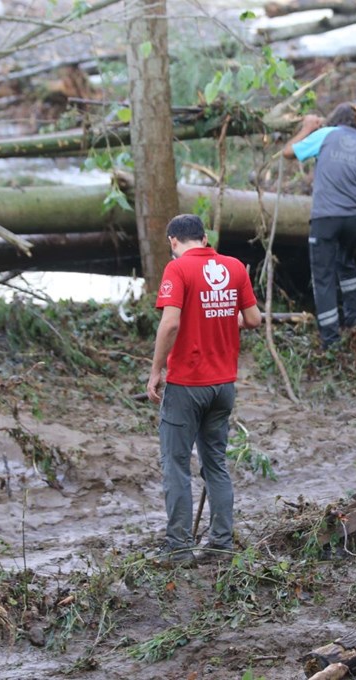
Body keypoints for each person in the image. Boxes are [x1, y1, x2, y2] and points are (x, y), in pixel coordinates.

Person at [147, 214, 261, 566]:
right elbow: (254, 319)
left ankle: (179, 549)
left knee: (176, 465)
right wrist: (225, 318)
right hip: (223, 386)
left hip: (187, 387)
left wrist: (155, 370)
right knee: (216, 466)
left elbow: (171, 322)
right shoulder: (234, 268)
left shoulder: (178, 270)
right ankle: (221, 544)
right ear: (205, 237)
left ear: (173, 242)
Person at [282, 102, 356, 348]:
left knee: (323, 275)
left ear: (335, 119)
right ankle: (354, 320)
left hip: (326, 219)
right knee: (346, 263)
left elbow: (288, 152)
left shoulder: (324, 135)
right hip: (355, 221)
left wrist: (306, 128)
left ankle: (330, 340)